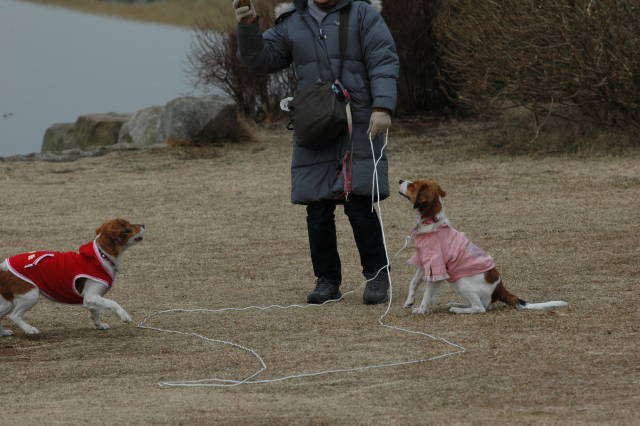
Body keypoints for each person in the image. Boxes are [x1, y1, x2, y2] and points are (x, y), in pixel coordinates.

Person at [233, 0, 399, 304]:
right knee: (317, 208)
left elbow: (383, 60)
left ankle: (377, 276)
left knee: (359, 203)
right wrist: (248, 25)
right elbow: (259, 60)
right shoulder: (291, 21)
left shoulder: (363, 14)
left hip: (359, 119)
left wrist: (382, 107)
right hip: (315, 121)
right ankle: (326, 281)